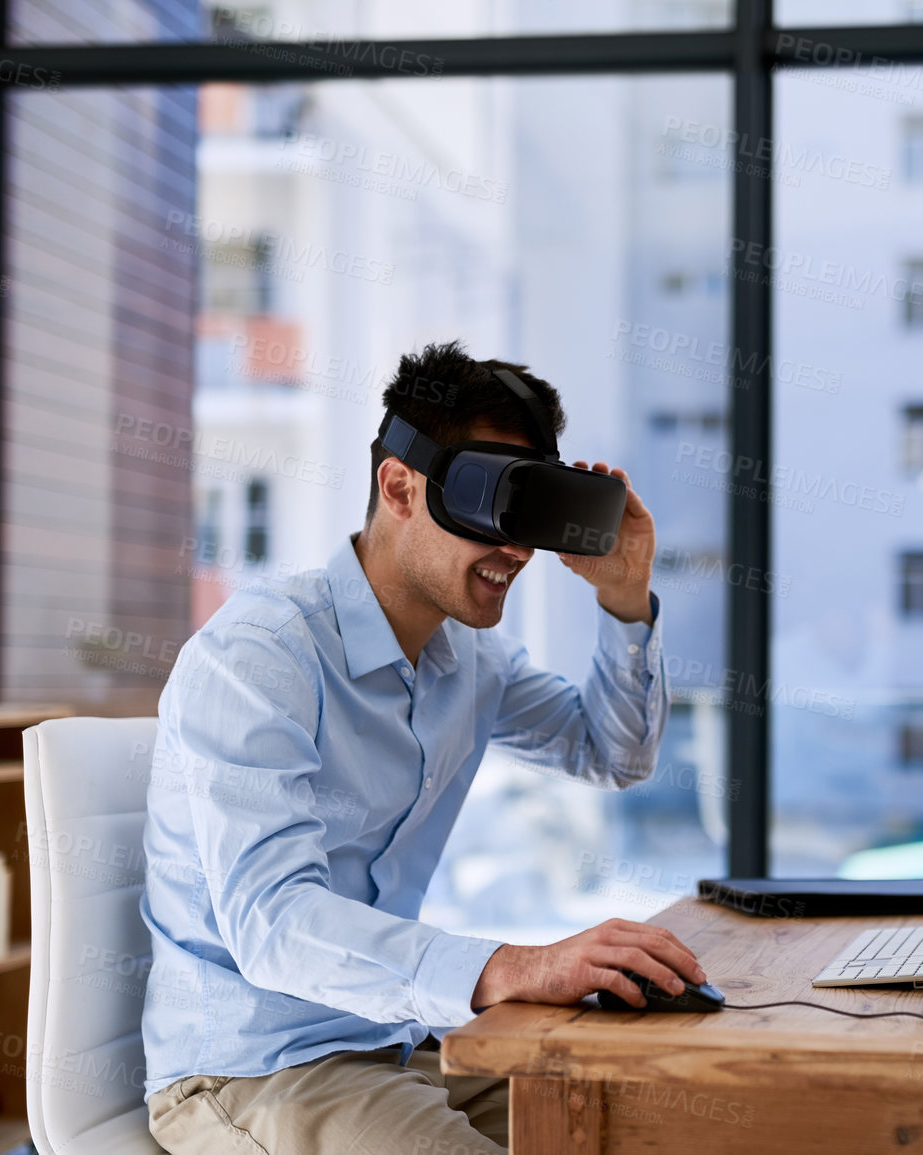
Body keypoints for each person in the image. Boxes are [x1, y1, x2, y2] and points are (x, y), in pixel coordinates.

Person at [140, 340, 705, 1154]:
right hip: (254, 1069)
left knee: (656, 1120)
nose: (515, 549)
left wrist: (623, 600)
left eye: (528, 513)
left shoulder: (466, 659)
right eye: (490, 506)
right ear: (398, 486)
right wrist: (509, 965)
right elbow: (271, 921)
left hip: (400, 1040)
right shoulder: (259, 656)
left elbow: (609, 751)